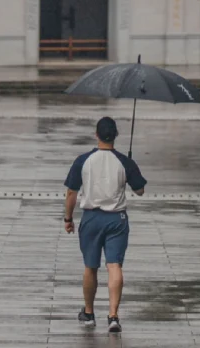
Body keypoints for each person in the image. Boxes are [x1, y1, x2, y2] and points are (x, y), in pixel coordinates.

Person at [63, 115, 147, 333]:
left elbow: (71, 192)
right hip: (116, 220)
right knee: (114, 266)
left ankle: (89, 313)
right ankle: (113, 316)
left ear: (96, 135)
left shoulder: (83, 160)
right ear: (116, 136)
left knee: (91, 267)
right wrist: (130, 168)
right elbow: (140, 190)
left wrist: (68, 219)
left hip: (91, 218)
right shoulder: (123, 161)